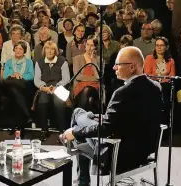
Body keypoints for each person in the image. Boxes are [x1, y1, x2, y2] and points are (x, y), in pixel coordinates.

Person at [61, 47, 163, 186]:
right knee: (86, 120)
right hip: (144, 150)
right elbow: (132, 118)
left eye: (118, 64)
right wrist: (101, 118)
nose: (114, 67)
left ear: (132, 67)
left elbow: (105, 129)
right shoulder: (156, 87)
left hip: (119, 155)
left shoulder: (122, 93)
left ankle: (70, 140)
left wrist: (75, 132)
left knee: (78, 114)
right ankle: (82, 179)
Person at [34, 41, 70, 140]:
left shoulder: (62, 61)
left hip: (59, 86)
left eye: (52, 49)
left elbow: (66, 78)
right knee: (42, 101)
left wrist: (57, 87)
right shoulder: (39, 62)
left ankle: (62, 130)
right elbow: (37, 79)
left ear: (56, 51)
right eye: (47, 49)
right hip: (45, 87)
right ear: (44, 50)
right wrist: (43, 87)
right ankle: (44, 129)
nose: (49, 51)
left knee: (58, 102)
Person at [1, 40, 35, 128]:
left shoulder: (29, 62)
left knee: (15, 88)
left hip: (25, 87)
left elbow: (31, 76)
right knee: (13, 88)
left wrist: (20, 76)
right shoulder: (8, 62)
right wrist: (14, 75)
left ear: (24, 51)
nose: (18, 50)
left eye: (21, 49)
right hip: (10, 87)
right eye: (16, 48)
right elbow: (5, 77)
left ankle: (20, 123)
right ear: (14, 50)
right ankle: (27, 115)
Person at [72, 36, 100, 113]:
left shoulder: (99, 60)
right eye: (88, 45)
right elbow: (78, 77)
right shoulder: (77, 58)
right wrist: (92, 78)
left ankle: (79, 116)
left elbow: (98, 77)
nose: (89, 48)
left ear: (95, 47)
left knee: (88, 90)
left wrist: (93, 59)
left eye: (92, 45)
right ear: (85, 45)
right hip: (80, 87)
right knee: (87, 93)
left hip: (95, 88)